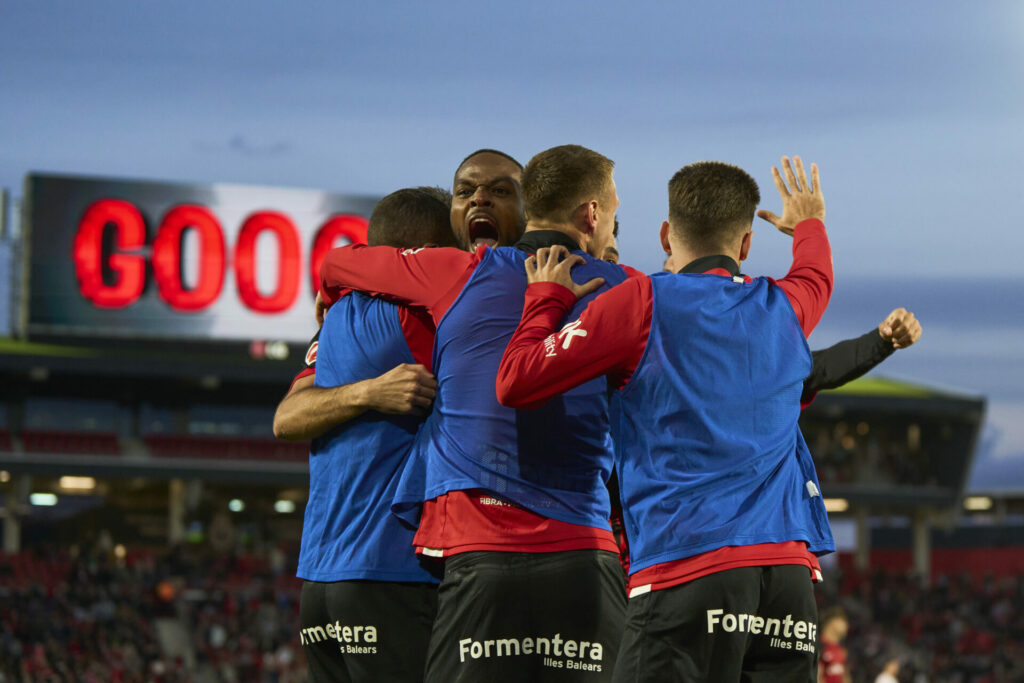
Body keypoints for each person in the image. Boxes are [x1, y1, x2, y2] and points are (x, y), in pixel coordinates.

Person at [496, 156, 834, 681]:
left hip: (687, 567)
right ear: (745, 246)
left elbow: (516, 380)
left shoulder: (639, 300)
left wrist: (545, 298)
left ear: (663, 234)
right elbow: (816, 273)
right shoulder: (787, 305)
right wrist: (808, 223)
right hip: (789, 582)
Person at [317, 145, 630, 682]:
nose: (480, 199)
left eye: (497, 191)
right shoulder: (632, 291)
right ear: (593, 214)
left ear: (529, 207)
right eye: (466, 191)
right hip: (586, 553)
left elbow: (338, 260)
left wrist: (332, 294)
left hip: (476, 551)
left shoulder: (455, 272)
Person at [297, 187, 454, 682]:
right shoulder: (423, 319)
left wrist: (360, 393)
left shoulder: (333, 323)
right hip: (391, 571)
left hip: (320, 584)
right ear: (425, 255)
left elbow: (286, 417)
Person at [819, 607, 851, 683]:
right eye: (843, 620)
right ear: (831, 621)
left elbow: (845, 677)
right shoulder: (819, 646)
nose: (846, 625)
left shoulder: (841, 650)